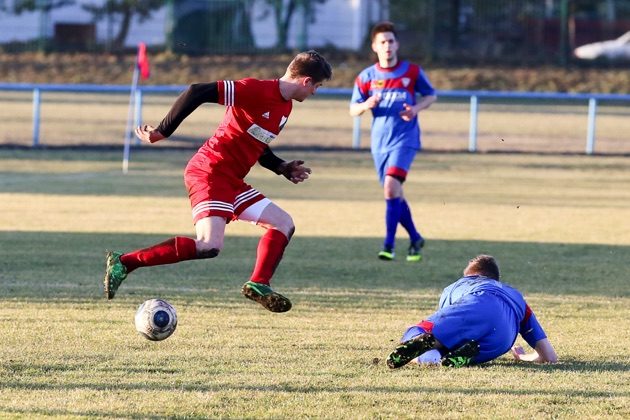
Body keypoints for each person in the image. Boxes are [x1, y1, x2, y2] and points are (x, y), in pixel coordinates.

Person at [103, 50, 332, 313]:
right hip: (209, 171)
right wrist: (162, 131)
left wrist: (282, 167)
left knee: (283, 223)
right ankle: (125, 262)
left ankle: (258, 283)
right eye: (317, 86)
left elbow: (258, 144)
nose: (315, 92)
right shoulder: (255, 90)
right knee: (209, 245)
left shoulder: (285, 106)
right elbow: (196, 91)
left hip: (232, 180)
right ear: (306, 81)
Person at [349, 21, 437, 262]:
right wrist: (366, 105)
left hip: (405, 139)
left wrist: (416, 108)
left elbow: (431, 95)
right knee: (393, 193)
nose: (387, 46)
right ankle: (415, 237)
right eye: (382, 42)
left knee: (390, 187)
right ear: (375, 47)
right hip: (379, 143)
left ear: (396, 44)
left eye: (390, 41)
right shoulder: (366, 77)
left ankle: (388, 245)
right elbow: (353, 109)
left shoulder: (412, 72)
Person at [386, 255, 558, 368]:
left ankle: (428, 358)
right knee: (468, 347)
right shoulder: (516, 296)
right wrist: (522, 357)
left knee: (420, 333)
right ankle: (461, 357)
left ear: (470, 275)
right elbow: (549, 356)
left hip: (477, 305)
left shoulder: (456, 286)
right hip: (501, 340)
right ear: (495, 278)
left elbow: (446, 329)